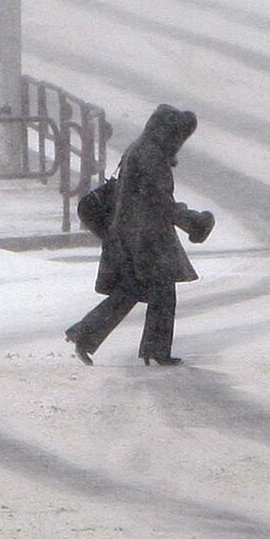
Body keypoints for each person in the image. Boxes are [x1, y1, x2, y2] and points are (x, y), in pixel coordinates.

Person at [65, 105, 214, 366]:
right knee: (162, 292)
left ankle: (86, 334)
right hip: (145, 237)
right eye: (178, 137)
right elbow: (162, 202)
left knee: (131, 290)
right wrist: (195, 223)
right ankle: (153, 350)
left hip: (131, 232)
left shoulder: (143, 148)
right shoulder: (150, 156)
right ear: (169, 133)